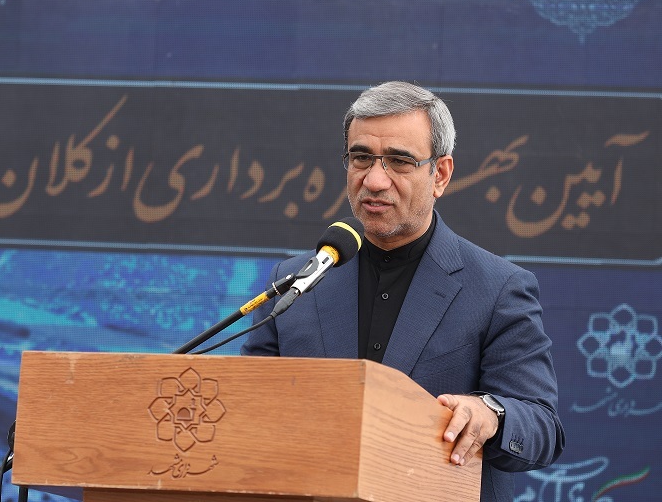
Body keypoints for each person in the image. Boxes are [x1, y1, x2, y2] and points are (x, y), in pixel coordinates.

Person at [241, 81, 565, 502]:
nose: (375, 180)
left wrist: (491, 415)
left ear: (440, 175)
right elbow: (246, 405)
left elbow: (542, 427)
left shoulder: (498, 288)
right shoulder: (296, 281)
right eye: (361, 158)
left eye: (399, 161)